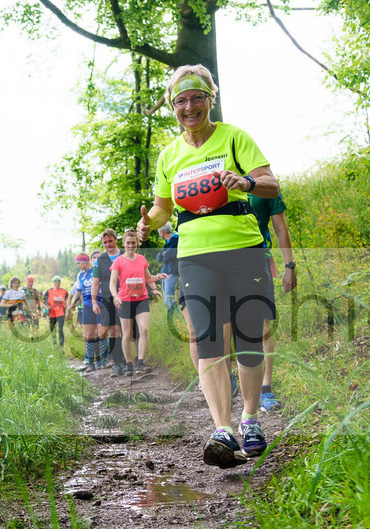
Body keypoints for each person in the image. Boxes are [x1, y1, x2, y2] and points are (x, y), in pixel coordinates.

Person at [136, 64, 279, 469]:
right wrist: (149, 223)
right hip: (195, 257)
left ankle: (250, 418)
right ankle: (222, 429)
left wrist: (246, 183)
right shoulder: (169, 155)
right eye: (180, 100)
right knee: (209, 339)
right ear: (173, 106)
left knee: (248, 339)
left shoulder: (234, 137)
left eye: (197, 97)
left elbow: (271, 183)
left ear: (210, 99)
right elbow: (164, 208)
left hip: (243, 249)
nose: (189, 106)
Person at [249, 189, 297, 411]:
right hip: (222, 261)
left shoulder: (266, 186)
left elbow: (280, 227)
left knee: (263, 326)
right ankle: (229, 386)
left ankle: (265, 390)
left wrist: (290, 266)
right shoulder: (218, 177)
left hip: (259, 259)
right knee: (226, 327)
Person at [109, 229, 165, 375]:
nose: (130, 245)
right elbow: (112, 283)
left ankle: (140, 362)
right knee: (127, 334)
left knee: (144, 330)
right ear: (123, 243)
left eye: (133, 243)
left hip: (141, 299)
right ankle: (128, 364)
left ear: (137, 243)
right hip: (125, 301)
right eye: (128, 243)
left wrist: (158, 278)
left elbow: (148, 278)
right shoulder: (118, 261)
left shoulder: (141, 259)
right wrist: (115, 297)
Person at [90, 231, 126, 375]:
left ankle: (127, 360)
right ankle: (117, 363)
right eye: (105, 242)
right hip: (107, 299)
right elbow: (95, 282)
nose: (108, 245)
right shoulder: (99, 260)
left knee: (126, 330)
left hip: (126, 297)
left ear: (116, 240)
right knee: (113, 330)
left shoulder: (125, 255)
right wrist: (94, 302)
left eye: (110, 241)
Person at [64, 254, 99, 372]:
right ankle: (90, 360)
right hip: (87, 306)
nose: (78, 265)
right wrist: (71, 305)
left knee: (99, 333)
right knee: (88, 334)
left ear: (85, 261)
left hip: (99, 304)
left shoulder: (95, 270)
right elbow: (78, 291)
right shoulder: (80, 275)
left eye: (79, 263)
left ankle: (100, 358)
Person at [155, 222, 180, 316]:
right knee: (167, 301)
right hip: (165, 273)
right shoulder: (167, 243)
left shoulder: (175, 240)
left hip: (171, 273)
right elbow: (159, 257)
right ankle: (176, 320)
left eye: (159, 231)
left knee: (169, 299)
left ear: (162, 231)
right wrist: (164, 254)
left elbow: (168, 256)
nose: (159, 233)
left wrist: (164, 254)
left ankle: (176, 320)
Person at [46, 275, 69, 347]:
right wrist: (47, 307)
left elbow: (68, 301)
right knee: (53, 330)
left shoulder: (64, 291)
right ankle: (54, 345)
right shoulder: (49, 291)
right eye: (56, 283)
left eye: (59, 283)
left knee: (60, 330)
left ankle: (61, 346)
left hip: (61, 313)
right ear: (53, 283)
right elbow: (43, 303)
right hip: (52, 313)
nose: (57, 284)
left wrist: (69, 310)